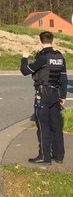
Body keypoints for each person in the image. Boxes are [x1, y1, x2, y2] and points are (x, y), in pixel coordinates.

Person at [20, 30, 67, 165]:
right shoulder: (59, 56)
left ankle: (44, 156)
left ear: (40, 41)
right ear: (52, 41)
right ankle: (58, 155)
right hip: (55, 94)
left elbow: (25, 71)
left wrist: (24, 57)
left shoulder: (42, 57)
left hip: (43, 94)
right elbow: (63, 77)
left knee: (43, 125)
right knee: (56, 125)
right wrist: (62, 95)